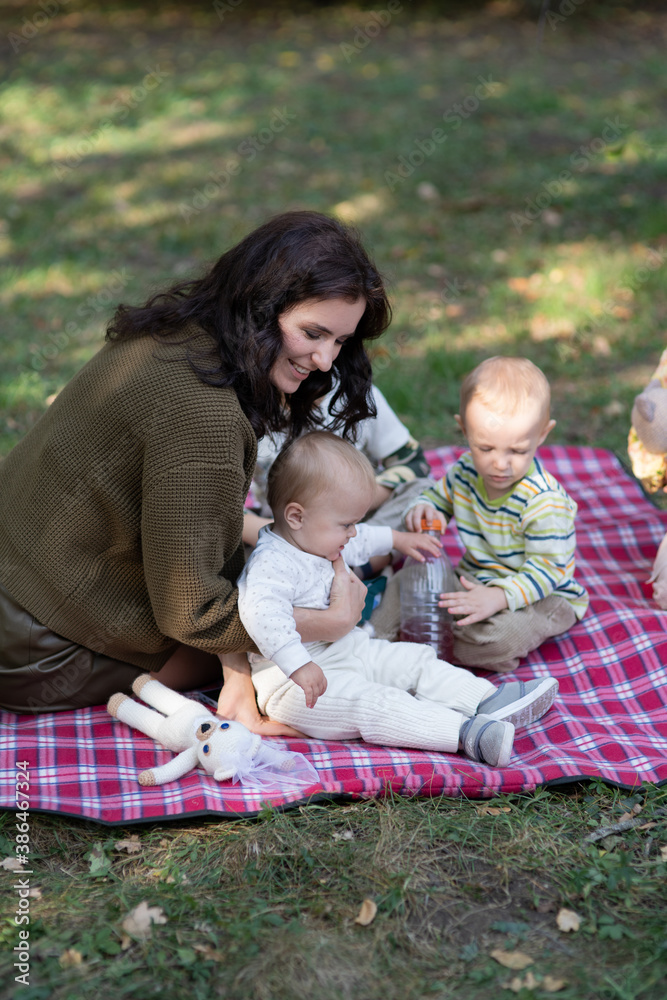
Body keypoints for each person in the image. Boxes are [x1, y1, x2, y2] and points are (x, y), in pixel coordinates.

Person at [0, 211, 388, 729]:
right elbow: (191, 610)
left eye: (339, 341)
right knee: (295, 633)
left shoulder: (176, 334)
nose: (324, 360)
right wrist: (332, 622)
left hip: (23, 578)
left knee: (275, 571)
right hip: (36, 645)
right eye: (312, 333)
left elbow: (193, 534)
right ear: (259, 306)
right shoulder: (205, 416)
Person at [237, 432, 559, 767]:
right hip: (295, 684)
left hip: (348, 648)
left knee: (414, 660)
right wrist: (298, 665)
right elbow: (262, 616)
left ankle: (486, 700)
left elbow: (362, 539)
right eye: (346, 524)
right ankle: (465, 733)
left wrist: (398, 539)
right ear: (296, 516)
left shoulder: (315, 536)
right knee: (375, 704)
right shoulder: (271, 564)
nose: (352, 532)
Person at [405, 356, 589, 672]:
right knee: (406, 577)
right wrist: (425, 508)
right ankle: (372, 639)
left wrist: (500, 597)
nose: (500, 464)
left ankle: (425, 644)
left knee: (501, 640)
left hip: (542, 595)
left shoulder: (544, 502)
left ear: (542, 434)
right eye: (486, 448)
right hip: (478, 577)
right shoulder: (464, 472)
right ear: (464, 429)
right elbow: (437, 497)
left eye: (517, 451)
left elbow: (549, 571)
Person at [242, 382, 435, 558]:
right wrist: (280, 536)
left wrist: (350, 505)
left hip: (356, 521)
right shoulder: (239, 406)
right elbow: (216, 506)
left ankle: (361, 559)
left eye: (339, 342)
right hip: (280, 527)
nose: (323, 360)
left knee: (423, 493)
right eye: (312, 340)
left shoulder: (358, 397)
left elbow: (414, 463)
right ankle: (367, 562)